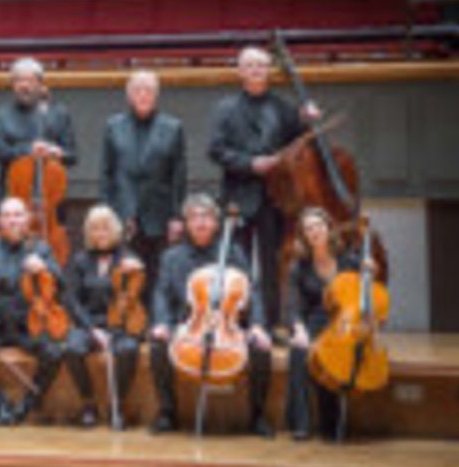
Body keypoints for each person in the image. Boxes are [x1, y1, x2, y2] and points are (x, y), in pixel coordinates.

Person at [208, 46, 321, 326]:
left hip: (275, 200)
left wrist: (307, 123)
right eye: (250, 66)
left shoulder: (284, 109)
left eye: (262, 65)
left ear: (269, 71)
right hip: (238, 199)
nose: (257, 70)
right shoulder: (225, 108)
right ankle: (238, 323)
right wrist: (250, 164)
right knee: (237, 264)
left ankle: (270, 325)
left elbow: (302, 147)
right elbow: (216, 150)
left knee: (273, 267)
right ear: (240, 72)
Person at [148, 193, 273, 438]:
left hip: (228, 324)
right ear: (186, 224)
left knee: (260, 349)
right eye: (194, 217)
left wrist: (258, 325)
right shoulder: (171, 257)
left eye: (206, 216)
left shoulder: (234, 252)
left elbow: (253, 291)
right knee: (157, 346)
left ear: (217, 223)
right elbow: (160, 294)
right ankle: (167, 412)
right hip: (188, 324)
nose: (200, 222)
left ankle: (258, 415)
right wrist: (162, 323)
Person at [0, 197, 66, 425]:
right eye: (7, 216)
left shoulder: (41, 248)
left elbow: (62, 285)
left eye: (18, 215)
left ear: (27, 219)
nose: (13, 220)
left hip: (29, 323)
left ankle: (29, 402)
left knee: (55, 353)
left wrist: (44, 267)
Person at [99, 70, 186, 309]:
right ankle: (128, 323)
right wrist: (106, 213)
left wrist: (177, 216)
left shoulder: (173, 127)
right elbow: (107, 173)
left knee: (156, 272)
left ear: (156, 95)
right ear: (129, 95)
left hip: (159, 209)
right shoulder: (113, 126)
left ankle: (156, 321)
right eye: (138, 90)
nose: (143, 95)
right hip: (123, 210)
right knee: (123, 271)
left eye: (148, 90)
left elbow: (178, 177)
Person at [62, 205, 145, 429]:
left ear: (115, 230)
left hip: (120, 323)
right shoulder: (80, 260)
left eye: (105, 228)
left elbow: (138, 297)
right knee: (72, 348)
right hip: (89, 324)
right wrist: (92, 330)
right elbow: (72, 299)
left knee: (128, 349)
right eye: (95, 229)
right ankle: (88, 402)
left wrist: (139, 270)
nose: (100, 233)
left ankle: (117, 404)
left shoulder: (128, 258)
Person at [284, 207, 360, 441]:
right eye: (308, 228)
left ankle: (332, 421)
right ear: (303, 235)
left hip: (344, 323)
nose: (314, 231)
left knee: (334, 354)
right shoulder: (299, 266)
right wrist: (299, 329)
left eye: (318, 225)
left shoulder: (349, 261)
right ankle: (302, 423)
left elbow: (364, 299)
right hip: (313, 323)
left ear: (329, 228)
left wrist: (369, 274)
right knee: (298, 351)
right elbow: (293, 306)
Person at [0, 57, 76, 202]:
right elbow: (1, 153)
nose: (24, 86)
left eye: (30, 80)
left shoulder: (59, 114)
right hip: (13, 195)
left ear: (40, 83)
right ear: (13, 85)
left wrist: (57, 152)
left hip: (51, 197)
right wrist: (29, 149)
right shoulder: (3, 115)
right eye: (19, 80)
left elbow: (73, 155)